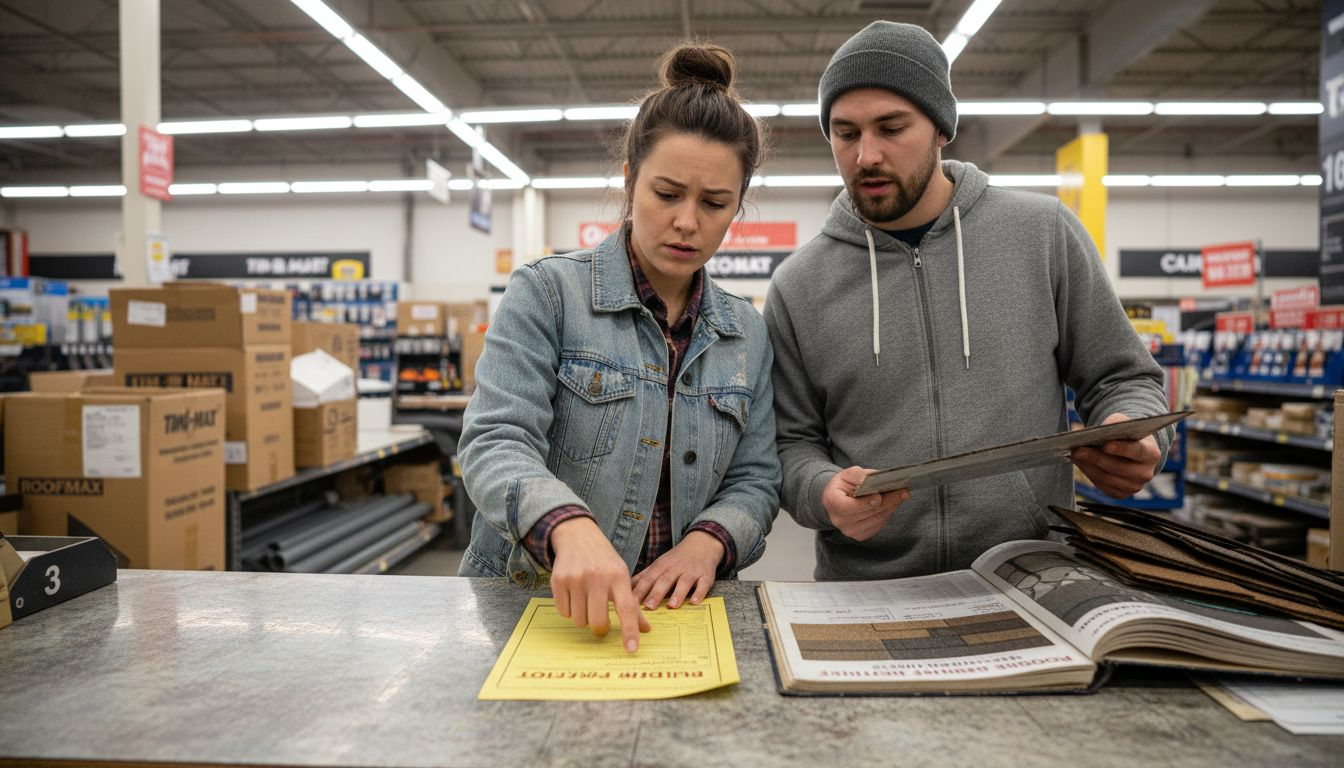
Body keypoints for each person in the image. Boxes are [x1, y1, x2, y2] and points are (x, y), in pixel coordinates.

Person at [763, 21, 1173, 581]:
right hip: (870, 589)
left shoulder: (1043, 233)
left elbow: (1124, 378)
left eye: (891, 127)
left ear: (941, 129)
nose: (866, 156)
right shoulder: (800, 285)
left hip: (1034, 575)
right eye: (846, 133)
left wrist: (1138, 428)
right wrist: (820, 491)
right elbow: (791, 443)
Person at [458, 43, 779, 653]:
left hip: (680, 620)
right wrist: (566, 525)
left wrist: (709, 541)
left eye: (714, 203)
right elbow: (495, 440)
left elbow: (757, 477)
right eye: (667, 193)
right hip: (530, 605)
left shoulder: (745, 333)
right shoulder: (548, 294)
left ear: (739, 207)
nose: (688, 221)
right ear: (630, 181)